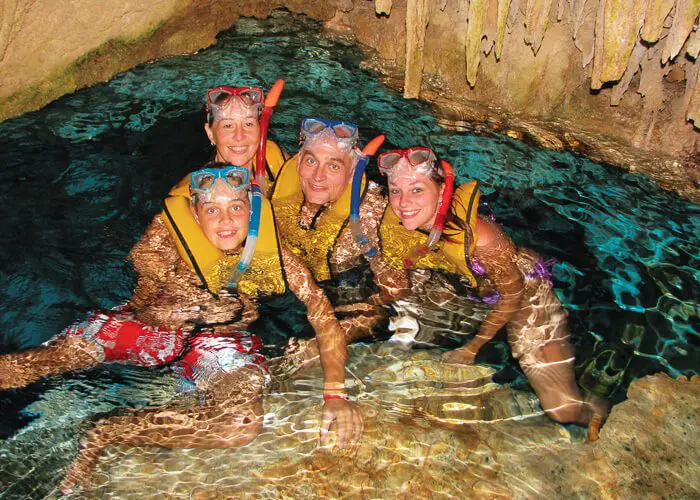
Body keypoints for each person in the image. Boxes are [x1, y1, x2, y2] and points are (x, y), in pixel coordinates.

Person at [0, 163, 361, 491]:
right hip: (147, 327)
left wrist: (335, 394)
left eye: (236, 206)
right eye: (212, 209)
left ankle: (106, 432)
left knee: (241, 423)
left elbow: (323, 316)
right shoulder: (164, 245)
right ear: (193, 213)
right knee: (24, 368)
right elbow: (141, 285)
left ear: (251, 211)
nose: (226, 220)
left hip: (220, 344)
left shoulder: (281, 260)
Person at [377, 147, 607, 427]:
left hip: (525, 295)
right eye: (395, 191)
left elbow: (513, 294)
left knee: (563, 409)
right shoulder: (410, 222)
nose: (403, 203)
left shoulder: (481, 237)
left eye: (416, 190)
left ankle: (601, 413)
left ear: (441, 192)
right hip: (470, 291)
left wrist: (472, 348)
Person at [270, 118, 409, 342]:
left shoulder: (371, 214)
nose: (318, 176)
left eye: (333, 166)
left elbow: (396, 288)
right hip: (292, 293)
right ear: (297, 163)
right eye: (311, 161)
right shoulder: (273, 194)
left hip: (347, 289)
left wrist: (338, 331)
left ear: (352, 173)